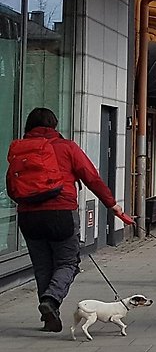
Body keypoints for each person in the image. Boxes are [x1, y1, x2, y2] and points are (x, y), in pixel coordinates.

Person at [8, 108, 127, 332]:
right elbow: (92, 178)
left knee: (43, 267)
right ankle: (51, 301)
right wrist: (113, 205)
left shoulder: (18, 149)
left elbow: (11, 188)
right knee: (68, 263)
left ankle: (48, 317)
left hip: (28, 215)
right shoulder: (66, 147)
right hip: (61, 212)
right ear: (54, 125)